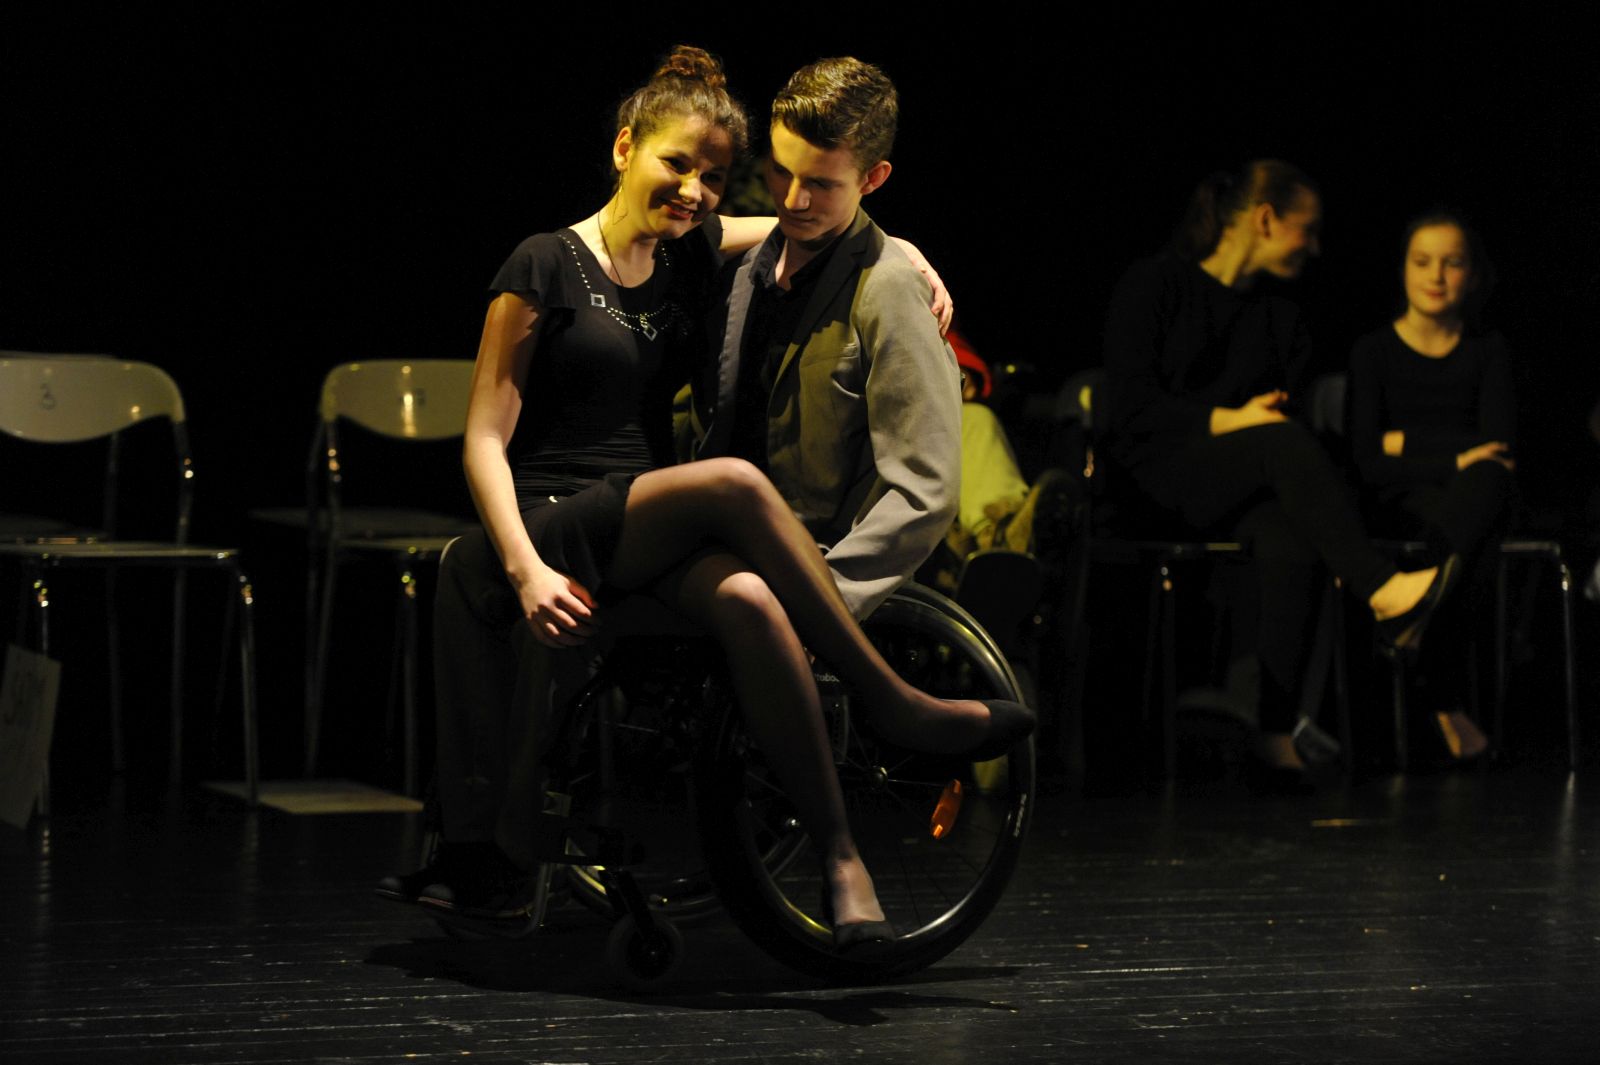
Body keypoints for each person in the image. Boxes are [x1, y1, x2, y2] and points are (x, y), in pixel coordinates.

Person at [380, 47, 1031, 947]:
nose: (697, 190)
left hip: (648, 519)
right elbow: (484, 438)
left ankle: (842, 857)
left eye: (714, 177)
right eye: (677, 164)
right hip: (554, 518)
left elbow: (813, 229)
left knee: (750, 597)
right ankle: (891, 697)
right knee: (734, 482)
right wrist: (525, 568)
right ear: (623, 147)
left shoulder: (690, 253)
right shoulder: (545, 262)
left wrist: (903, 250)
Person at [1101, 160, 1456, 782]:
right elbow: (1131, 408)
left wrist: (1258, 420)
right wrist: (1233, 420)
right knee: (1280, 444)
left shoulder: (1277, 316)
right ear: (1265, 220)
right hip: (1150, 476)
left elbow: (1277, 413)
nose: (1314, 247)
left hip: (1237, 482)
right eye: (1306, 230)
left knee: (1293, 534)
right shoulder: (1155, 284)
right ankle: (1380, 588)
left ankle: (1273, 728)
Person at [687, 57, 964, 620]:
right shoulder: (744, 274)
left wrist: (825, 602)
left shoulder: (888, 288)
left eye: (820, 183)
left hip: (816, 582)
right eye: (781, 171)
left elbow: (924, 491)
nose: (793, 199)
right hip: (724, 565)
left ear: (873, 179)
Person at [1348, 212, 1513, 761]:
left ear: (1474, 274)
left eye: (1452, 263)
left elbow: (1498, 448)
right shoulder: (1372, 352)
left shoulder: (1489, 351)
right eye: (1422, 262)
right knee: (1475, 530)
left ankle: (1412, 622)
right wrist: (1455, 456)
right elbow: (1366, 462)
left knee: (1489, 481)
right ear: (1402, 270)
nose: (1436, 276)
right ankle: (1444, 699)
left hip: (1472, 497)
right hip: (1401, 504)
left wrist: (1405, 443)